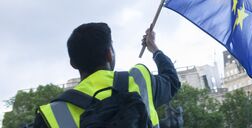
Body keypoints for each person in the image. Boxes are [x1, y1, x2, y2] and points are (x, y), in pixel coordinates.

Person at [34, 23, 180, 128]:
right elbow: (172, 80)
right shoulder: (138, 80)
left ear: (73, 63)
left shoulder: (53, 113)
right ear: (109, 55)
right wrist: (153, 48)